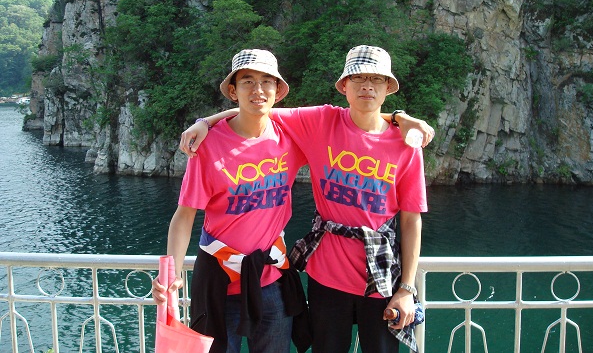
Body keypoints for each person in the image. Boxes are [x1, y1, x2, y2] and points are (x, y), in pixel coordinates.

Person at [181, 45, 430, 353]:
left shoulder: (406, 145)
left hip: (380, 275)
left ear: (388, 87)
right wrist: (205, 122)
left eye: (377, 79)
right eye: (358, 78)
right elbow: (256, 107)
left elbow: (411, 220)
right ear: (344, 85)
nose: (367, 86)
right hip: (326, 277)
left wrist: (406, 288)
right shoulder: (321, 122)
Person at [152, 49, 311, 353]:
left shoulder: (291, 137)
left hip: (271, 279)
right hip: (219, 281)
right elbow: (184, 215)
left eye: (266, 81)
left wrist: (399, 119)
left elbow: (350, 118)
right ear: (233, 91)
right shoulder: (209, 145)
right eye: (247, 81)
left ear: (277, 90)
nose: (258, 89)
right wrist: (171, 274)